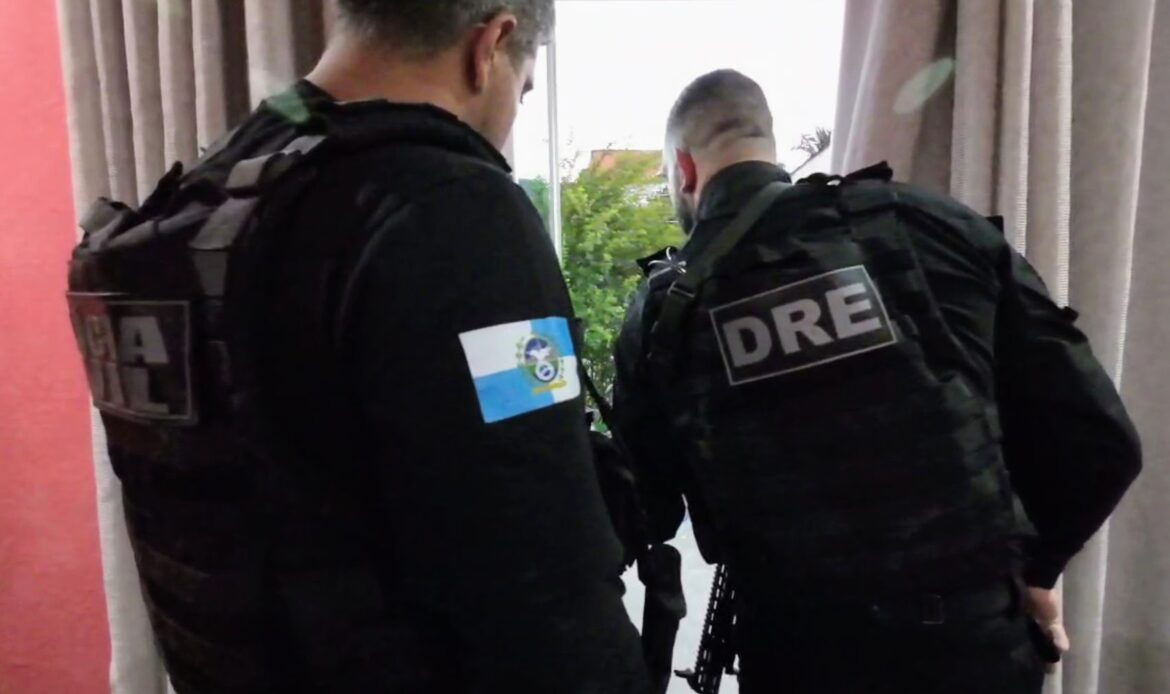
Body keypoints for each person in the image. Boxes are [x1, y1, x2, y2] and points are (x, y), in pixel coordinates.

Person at [65, 2, 649, 692]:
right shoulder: (450, 208)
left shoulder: (205, 204)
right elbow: (545, 591)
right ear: (490, 45)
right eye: (521, 93)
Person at [612, 69, 1142, 694]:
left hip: (797, 662)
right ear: (766, 144)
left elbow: (642, 508)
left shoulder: (664, 311)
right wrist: (1037, 570)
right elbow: (1103, 442)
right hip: (974, 651)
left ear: (684, 169)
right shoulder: (932, 226)